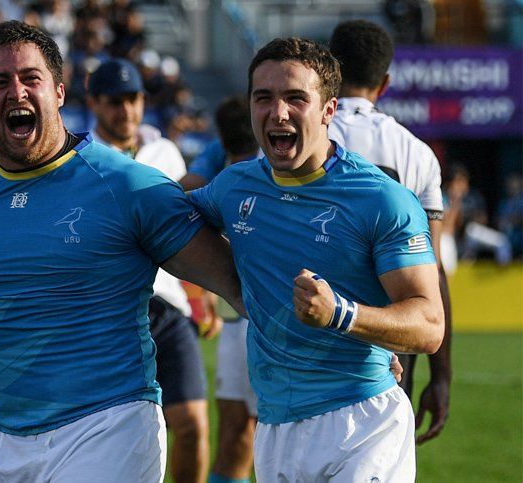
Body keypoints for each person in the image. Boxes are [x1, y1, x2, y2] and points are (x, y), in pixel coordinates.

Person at [0, 21, 243, 483]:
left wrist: (342, 323)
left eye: (31, 78)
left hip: (113, 427)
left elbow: (236, 281)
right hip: (11, 442)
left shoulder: (128, 185)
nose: (17, 91)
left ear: (59, 92)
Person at [187, 38, 444, 481]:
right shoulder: (234, 186)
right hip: (275, 428)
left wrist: (341, 313)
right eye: (263, 97)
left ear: (329, 110)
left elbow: (429, 325)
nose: (278, 112)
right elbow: (164, 224)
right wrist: (235, 291)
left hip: (362, 424)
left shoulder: (381, 199)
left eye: (295, 98)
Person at [87, 58, 215, 483]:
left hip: (169, 305)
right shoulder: (79, 158)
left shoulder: (166, 153)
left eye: (133, 99)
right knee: (115, 439)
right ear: (94, 102)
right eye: (115, 101)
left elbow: (189, 231)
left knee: (193, 426)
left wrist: (202, 296)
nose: (126, 109)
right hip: (113, 310)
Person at [327, 19, 452, 445]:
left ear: (330, 70)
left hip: (309, 324)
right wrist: (442, 377)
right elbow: (433, 272)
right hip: (392, 334)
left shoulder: (301, 134)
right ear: (385, 82)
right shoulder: (418, 152)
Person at [179, 96, 259, 483]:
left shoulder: (266, 165)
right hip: (236, 314)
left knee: (261, 430)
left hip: (266, 317)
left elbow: (182, 192)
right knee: (237, 427)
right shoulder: (223, 158)